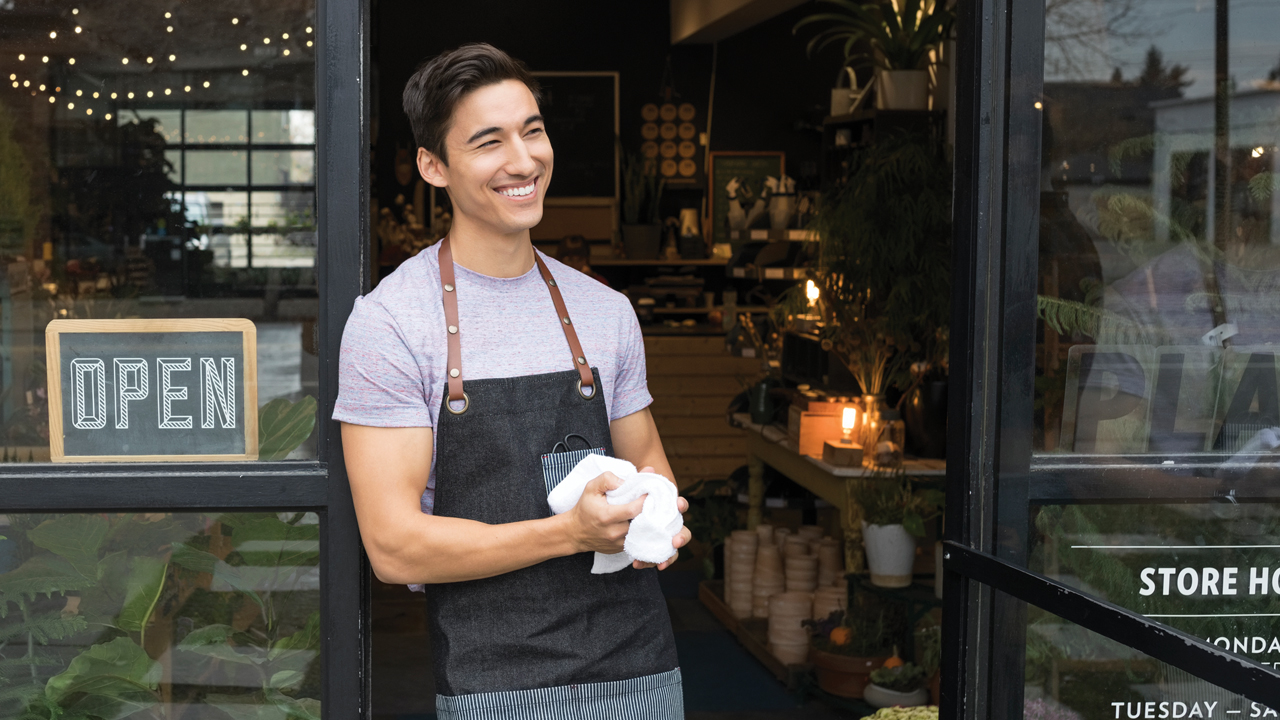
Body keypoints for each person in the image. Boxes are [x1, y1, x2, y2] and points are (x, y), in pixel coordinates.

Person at [333, 43, 689, 719]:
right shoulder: (392, 324)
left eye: (532, 131)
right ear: (433, 167)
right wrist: (571, 533)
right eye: (489, 142)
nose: (524, 161)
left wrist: (658, 514)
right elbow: (394, 547)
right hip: (494, 683)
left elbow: (651, 467)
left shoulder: (605, 312)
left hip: (640, 667)